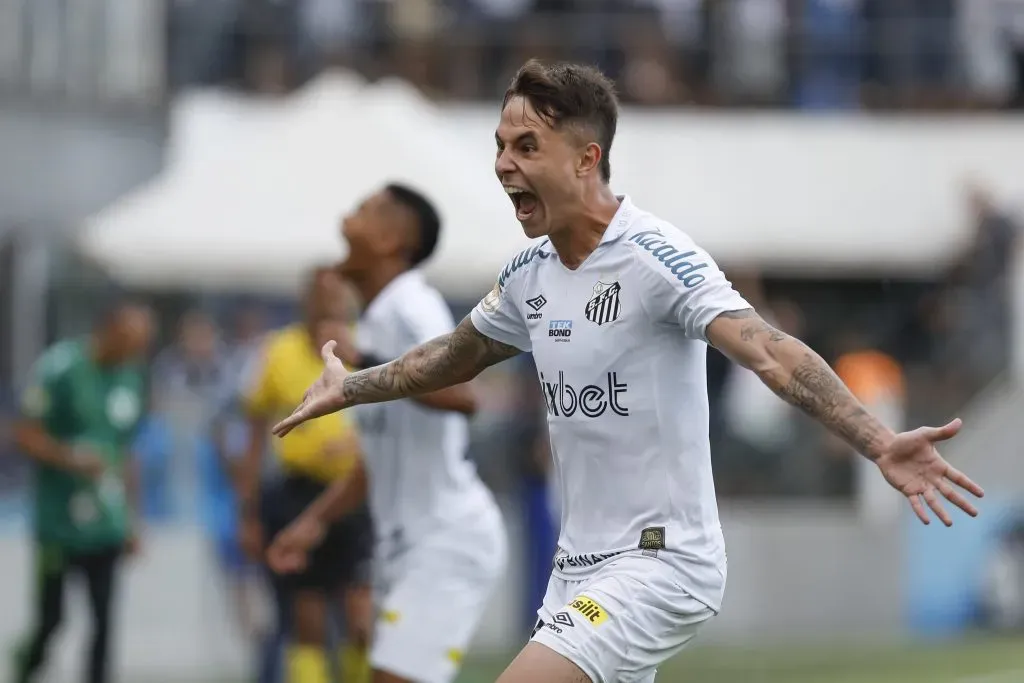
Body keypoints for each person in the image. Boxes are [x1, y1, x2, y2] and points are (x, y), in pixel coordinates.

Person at [268, 60, 985, 683]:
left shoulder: (656, 258)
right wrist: (351, 386)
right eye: (499, 146)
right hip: (578, 566)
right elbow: (451, 356)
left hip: (661, 562)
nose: (503, 164)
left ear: (586, 158)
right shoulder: (527, 275)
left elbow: (770, 350)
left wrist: (875, 438)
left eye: (526, 146)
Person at [267, 184, 507, 683]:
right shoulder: (377, 320)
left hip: (445, 539)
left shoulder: (410, 308)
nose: (345, 218)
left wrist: (361, 367)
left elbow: (462, 395)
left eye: (362, 210)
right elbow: (375, 460)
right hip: (405, 546)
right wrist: (314, 520)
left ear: (391, 240)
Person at [238, 267, 373, 683]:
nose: (329, 303)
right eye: (320, 295)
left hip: (353, 491)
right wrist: (249, 512)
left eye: (336, 294)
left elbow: (391, 415)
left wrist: (354, 446)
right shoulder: (278, 350)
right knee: (308, 618)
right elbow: (255, 435)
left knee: (361, 620)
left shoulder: (363, 345)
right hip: (298, 492)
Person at [11, 301, 155, 683]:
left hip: (106, 521)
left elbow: (127, 452)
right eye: (130, 340)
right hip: (59, 521)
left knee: (104, 621)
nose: (135, 351)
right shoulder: (60, 367)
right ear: (108, 330)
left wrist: (133, 520)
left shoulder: (132, 377)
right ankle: (24, 665)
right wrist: (70, 458)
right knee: (52, 620)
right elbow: (24, 433)